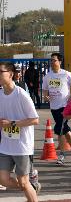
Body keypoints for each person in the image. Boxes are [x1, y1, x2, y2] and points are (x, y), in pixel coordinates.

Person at [0, 61, 39, 202]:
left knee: (23, 182)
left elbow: (35, 120)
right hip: (5, 145)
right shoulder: (0, 94)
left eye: (1, 72)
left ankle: (29, 186)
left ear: (10, 74)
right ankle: (31, 186)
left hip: (22, 146)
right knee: (3, 180)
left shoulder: (21, 95)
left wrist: (12, 123)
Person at [42, 53, 71, 165]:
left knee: (60, 129)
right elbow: (44, 89)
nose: (52, 62)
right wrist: (46, 96)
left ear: (60, 62)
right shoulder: (48, 76)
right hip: (53, 106)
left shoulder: (66, 74)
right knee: (65, 129)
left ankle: (61, 155)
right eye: (51, 60)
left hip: (65, 106)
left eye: (54, 60)